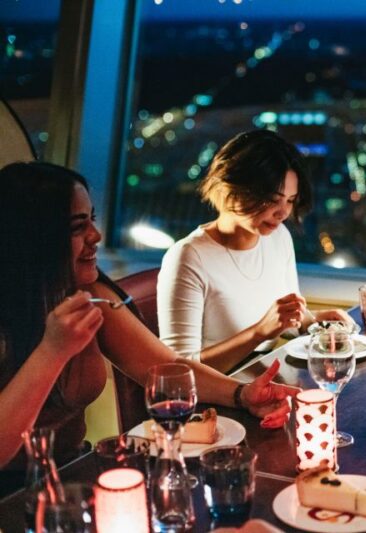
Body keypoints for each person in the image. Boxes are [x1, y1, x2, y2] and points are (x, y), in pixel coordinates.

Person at [0, 161, 297, 476]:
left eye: (93, 220)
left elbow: (164, 369)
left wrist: (242, 393)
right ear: (33, 239)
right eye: (78, 227)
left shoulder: (88, 294)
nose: (96, 235)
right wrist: (52, 352)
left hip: (72, 472)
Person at [157, 130, 350, 373]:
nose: (282, 213)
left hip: (264, 377)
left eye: (290, 200)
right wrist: (259, 332)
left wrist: (313, 321)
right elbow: (178, 371)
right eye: (272, 199)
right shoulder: (188, 257)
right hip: (217, 393)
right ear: (232, 188)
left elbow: (281, 323)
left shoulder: (278, 237)